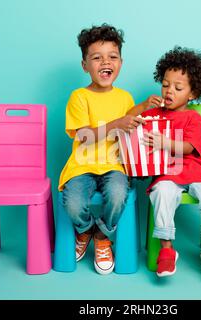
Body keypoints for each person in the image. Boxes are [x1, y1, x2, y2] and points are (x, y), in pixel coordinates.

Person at [58, 24, 159, 275]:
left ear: (121, 63)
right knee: (72, 204)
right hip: (82, 166)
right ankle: (85, 231)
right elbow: (82, 136)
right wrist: (116, 124)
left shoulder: (124, 96)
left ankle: (103, 236)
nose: (106, 61)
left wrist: (144, 106)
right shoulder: (79, 97)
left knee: (117, 195)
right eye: (97, 57)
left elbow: (128, 117)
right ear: (85, 65)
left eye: (112, 56)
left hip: (115, 165)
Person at [130, 46, 201, 277]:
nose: (169, 91)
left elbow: (190, 147)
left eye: (178, 87)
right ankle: (167, 249)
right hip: (167, 173)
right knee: (162, 192)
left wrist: (165, 143)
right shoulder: (154, 114)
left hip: (196, 172)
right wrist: (144, 107)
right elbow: (129, 119)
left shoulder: (193, 117)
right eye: (165, 85)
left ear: (192, 93)